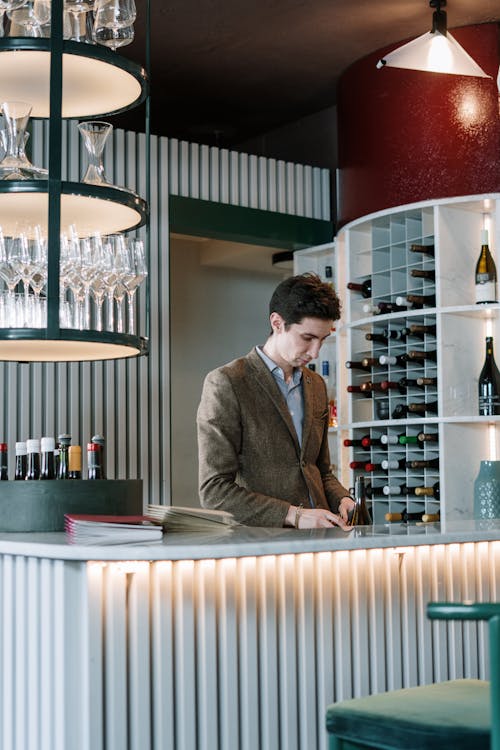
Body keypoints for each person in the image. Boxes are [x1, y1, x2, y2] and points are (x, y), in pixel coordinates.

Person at [196, 272, 355, 529]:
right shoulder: (227, 382)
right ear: (277, 322)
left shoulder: (316, 386)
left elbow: (319, 470)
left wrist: (342, 498)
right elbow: (214, 490)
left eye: (322, 340)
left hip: (323, 545)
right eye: (307, 338)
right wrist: (295, 515)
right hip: (262, 547)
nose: (315, 352)